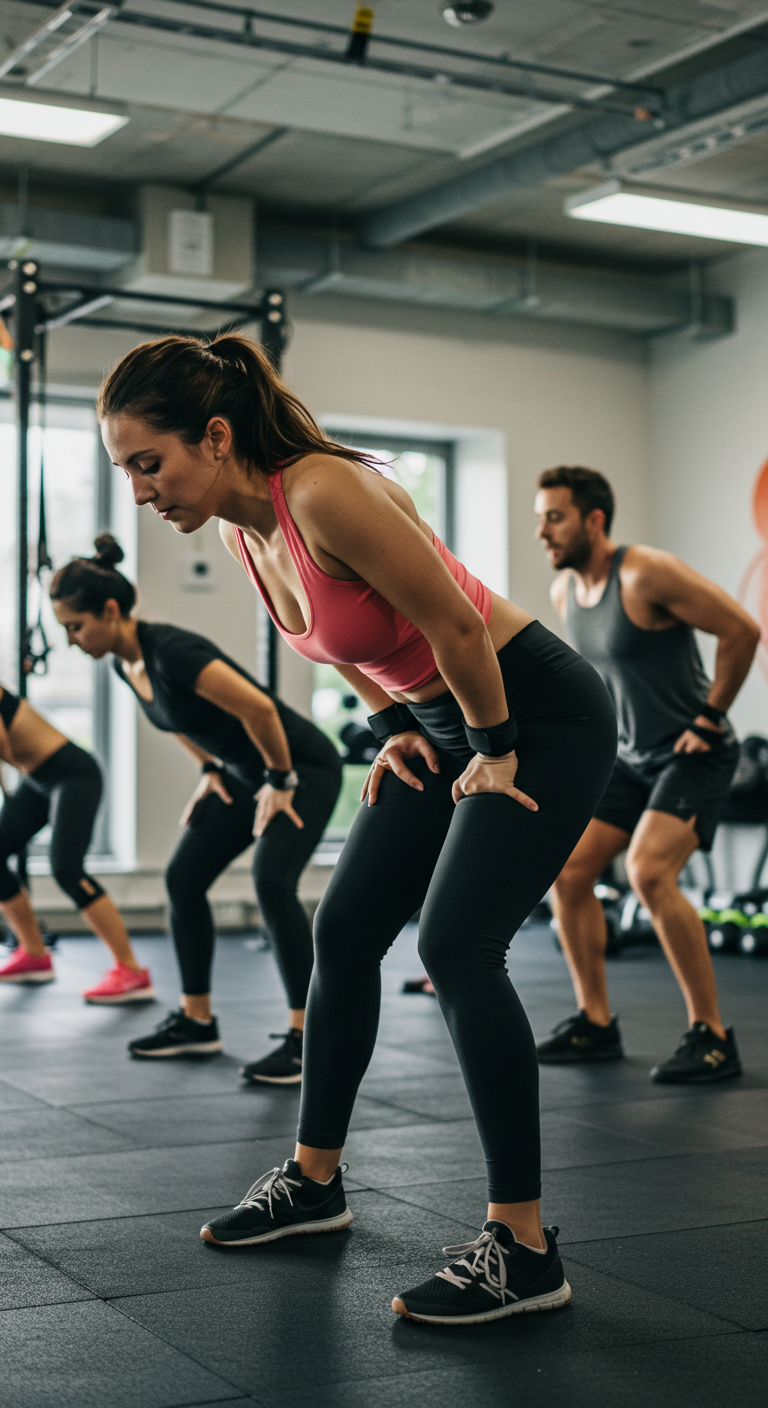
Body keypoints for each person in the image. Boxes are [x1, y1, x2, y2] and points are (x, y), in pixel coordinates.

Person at [95, 330, 617, 1328]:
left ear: (212, 435)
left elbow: (457, 626)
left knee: (459, 945)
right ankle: (315, 1179)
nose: (140, 491)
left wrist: (494, 746)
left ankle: (525, 1244)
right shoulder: (245, 531)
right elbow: (339, 639)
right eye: (124, 470)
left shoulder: (323, 490)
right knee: (344, 931)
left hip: (535, 711)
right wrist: (391, 728)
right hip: (444, 718)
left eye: (147, 463)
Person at [50, 536, 342, 1081]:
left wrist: (280, 779)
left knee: (271, 881)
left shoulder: (173, 652)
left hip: (300, 764)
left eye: (75, 626)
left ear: (110, 611)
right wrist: (210, 770)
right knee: (184, 878)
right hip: (242, 773)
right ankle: (197, 1021)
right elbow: (176, 719)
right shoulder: (124, 663)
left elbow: (258, 708)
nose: (71, 640)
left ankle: (308, 1039)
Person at [534, 465, 760, 1083]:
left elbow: (742, 630)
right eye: (540, 517)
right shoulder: (565, 595)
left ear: (594, 520)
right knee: (569, 870)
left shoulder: (645, 572)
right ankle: (595, 1023)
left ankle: (712, 1037)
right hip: (629, 759)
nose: (542, 532)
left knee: (648, 872)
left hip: (694, 754)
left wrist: (711, 717)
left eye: (554, 517)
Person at [0, 683, 153, 1002]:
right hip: (38, 779)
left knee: (67, 869)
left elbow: (3, 744)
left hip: (74, 774)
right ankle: (34, 955)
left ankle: (132, 971)